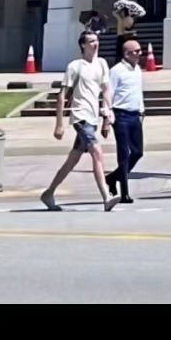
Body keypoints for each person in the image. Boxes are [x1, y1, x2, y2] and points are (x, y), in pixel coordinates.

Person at [41, 29, 118, 213]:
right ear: (83, 45)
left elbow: (106, 89)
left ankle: (49, 193)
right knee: (97, 152)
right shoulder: (75, 66)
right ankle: (106, 197)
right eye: (91, 41)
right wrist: (59, 124)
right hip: (79, 115)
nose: (95, 44)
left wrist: (108, 113)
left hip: (93, 116)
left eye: (96, 40)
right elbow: (62, 96)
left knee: (73, 160)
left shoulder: (102, 64)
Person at [104, 38, 145, 203]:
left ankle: (113, 177)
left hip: (135, 114)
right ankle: (124, 192)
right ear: (127, 54)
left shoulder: (138, 70)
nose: (139, 54)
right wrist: (107, 118)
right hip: (120, 115)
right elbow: (109, 94)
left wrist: (142, 111)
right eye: (135, 51)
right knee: (123, 153)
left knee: (138, 152)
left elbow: (138, 92)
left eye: (140, 51)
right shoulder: (116, 71)